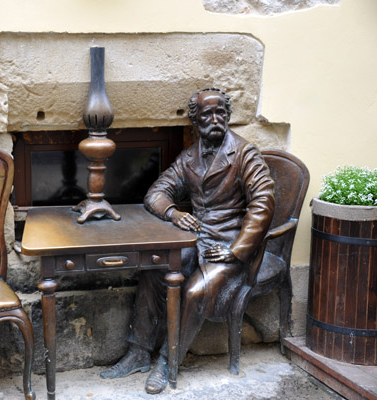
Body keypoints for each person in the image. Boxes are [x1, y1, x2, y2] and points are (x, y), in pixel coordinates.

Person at [100, 88, 275, 394]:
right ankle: (139, 351)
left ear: (228, 116)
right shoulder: (188, 158)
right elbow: (155, 192)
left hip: (230, 246)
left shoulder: (245, 154)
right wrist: (173, 213)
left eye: (221, 113)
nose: (215, 120)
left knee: (194, 291)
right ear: (196, 120)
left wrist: (237, 251)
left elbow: (263, 203)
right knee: (156, 269)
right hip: (196, 238)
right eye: (207, 114)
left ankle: (168, 361)